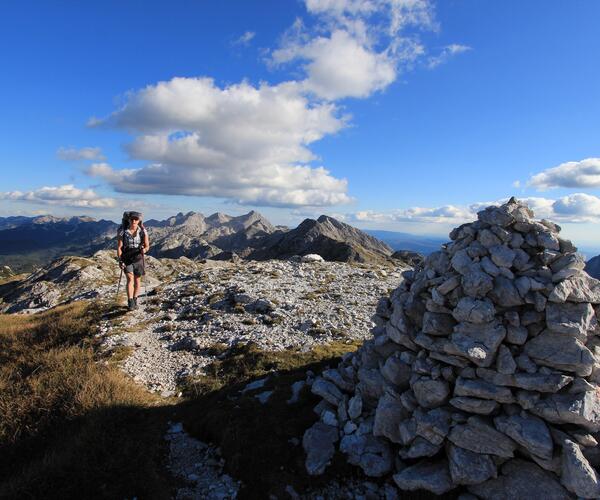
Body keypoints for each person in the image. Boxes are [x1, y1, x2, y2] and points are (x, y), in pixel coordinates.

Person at [117, 211, 150, 310]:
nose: (134, 221)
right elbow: (119, 247)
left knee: (137, 280)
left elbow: (147, 246)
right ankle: (130, 301)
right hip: (126, 258)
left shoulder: (143, 231)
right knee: (130, 279)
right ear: (128, 220)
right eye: (132, 219)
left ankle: (135, 299)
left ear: (139, 220)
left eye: (136, 219)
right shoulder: (122, 231)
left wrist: (144, 250)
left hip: (138, 258)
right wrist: (120, 260)